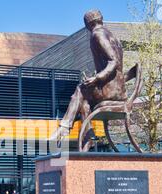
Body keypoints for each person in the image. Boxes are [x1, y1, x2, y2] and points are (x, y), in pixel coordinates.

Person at [52, 10, 133, 151]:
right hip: (118, 90)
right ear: (101, 19)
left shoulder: (97, 34)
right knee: (83, 102)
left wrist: (96, 78)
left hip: (111, 92)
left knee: (80, 89)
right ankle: (87, 139)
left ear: (87, 24)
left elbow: (113, 61)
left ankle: (65, 127)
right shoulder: (112, 36)